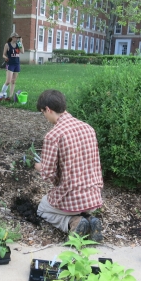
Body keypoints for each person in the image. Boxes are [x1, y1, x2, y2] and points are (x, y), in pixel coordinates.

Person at [35, 90, 104, 241]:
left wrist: (39, 166)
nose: (45, 117)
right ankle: (90, 220)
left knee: (42, 209)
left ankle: (73, 223)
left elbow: (48, 175)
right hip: (93, 197)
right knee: (77, 203)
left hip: (71, 200)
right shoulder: (88, 128)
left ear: (48, 109)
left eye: (43, 113)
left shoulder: (54, 135)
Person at [0, 32, 24, 100]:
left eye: (18, 38)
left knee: (13, 81)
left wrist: (21, 42)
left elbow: (22, 51)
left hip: (17, 64)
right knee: (8, 81)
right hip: (10, 64)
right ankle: (2, 93)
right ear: (12, 37)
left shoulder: (18, 44)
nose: (17, 39)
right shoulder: (7, 45)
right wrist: (5, 57)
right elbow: (3, 54)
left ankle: (10, 96)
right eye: (16, 37)